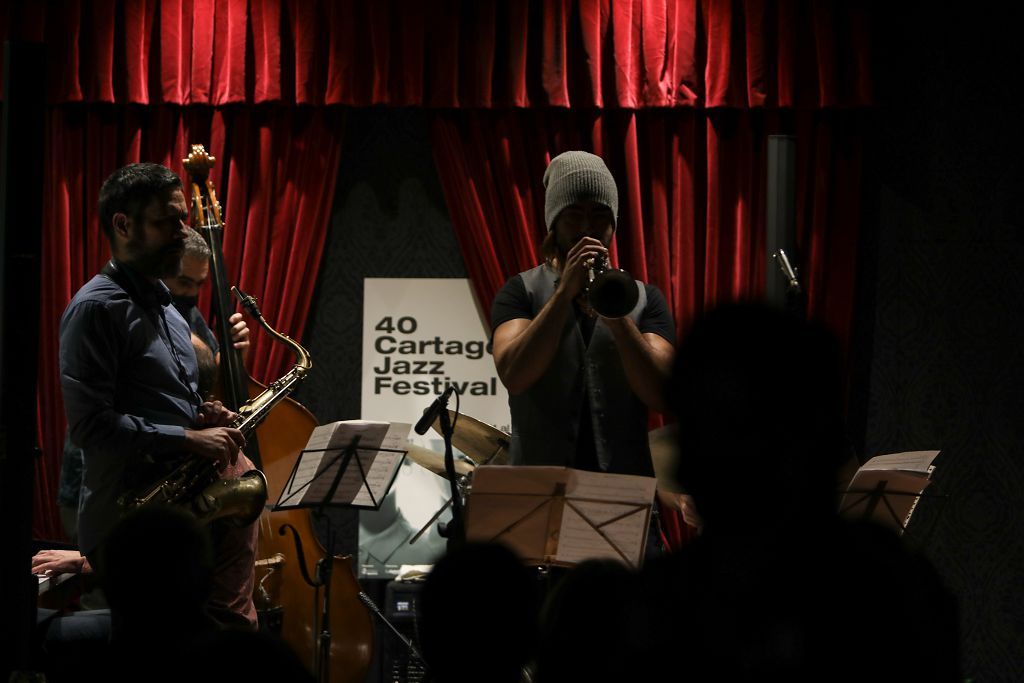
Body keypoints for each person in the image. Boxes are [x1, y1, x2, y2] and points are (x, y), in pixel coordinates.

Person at [58, 162, 255, 628]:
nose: (181, 230)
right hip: (128, 524)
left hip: (171, 520)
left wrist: (203, 415)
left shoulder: (169, 310)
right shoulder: (95, 309)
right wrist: (188, 440)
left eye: (182, 218)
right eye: (167, 220)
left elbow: (168, 404)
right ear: (123, 225)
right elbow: (91, 427)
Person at [490, 150, 681, 525]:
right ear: (554, 224)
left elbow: (662, 393)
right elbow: (514, 373)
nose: (587, 227)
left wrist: (617, 316)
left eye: (599, 215)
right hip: (539, 502)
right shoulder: (519, 293)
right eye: (574, 214)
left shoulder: (645, 300)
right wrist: (564, 295)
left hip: (622, 502)